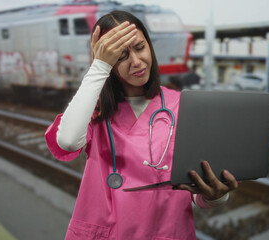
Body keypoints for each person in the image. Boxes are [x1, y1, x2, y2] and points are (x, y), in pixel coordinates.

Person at [45, 11, 238, 240]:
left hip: (167, 232)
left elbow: (195, 191)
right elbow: (66, 141)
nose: (136, 62)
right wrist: (98, 66)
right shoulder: (93, 109)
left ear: (150, 46)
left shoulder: (182, 106)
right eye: (120, 56)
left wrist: (215, 196)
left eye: (139, 47)